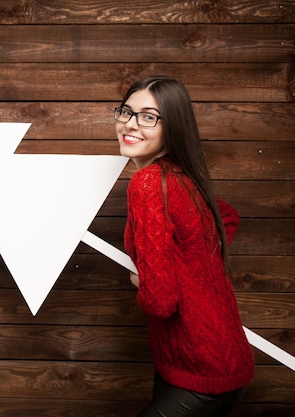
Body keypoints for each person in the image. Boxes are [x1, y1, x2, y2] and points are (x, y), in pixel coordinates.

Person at [115, 76, 255, 416]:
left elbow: (161, 301)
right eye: (126, 112)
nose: (130, 125)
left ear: (172, 126)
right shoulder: (177, 175)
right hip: (199, 359)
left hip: (205, 369)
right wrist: (192, 266)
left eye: (148, 116)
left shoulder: (148, 183)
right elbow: (228, 217)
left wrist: (146, 280)